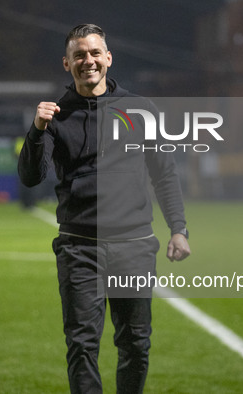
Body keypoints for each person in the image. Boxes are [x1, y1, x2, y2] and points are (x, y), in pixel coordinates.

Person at [17, 24, 190, 394]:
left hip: (135, 245)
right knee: (82, 346)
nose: (88, 61)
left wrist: (179, 228)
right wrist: (36, 131)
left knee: (136, 346)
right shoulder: (56, 115)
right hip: (80, 248)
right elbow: (31, 178)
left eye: (95, 53)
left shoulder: (140, 109)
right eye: (79, 55)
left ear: (108, 58)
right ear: (67, 63)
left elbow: (164, 173)